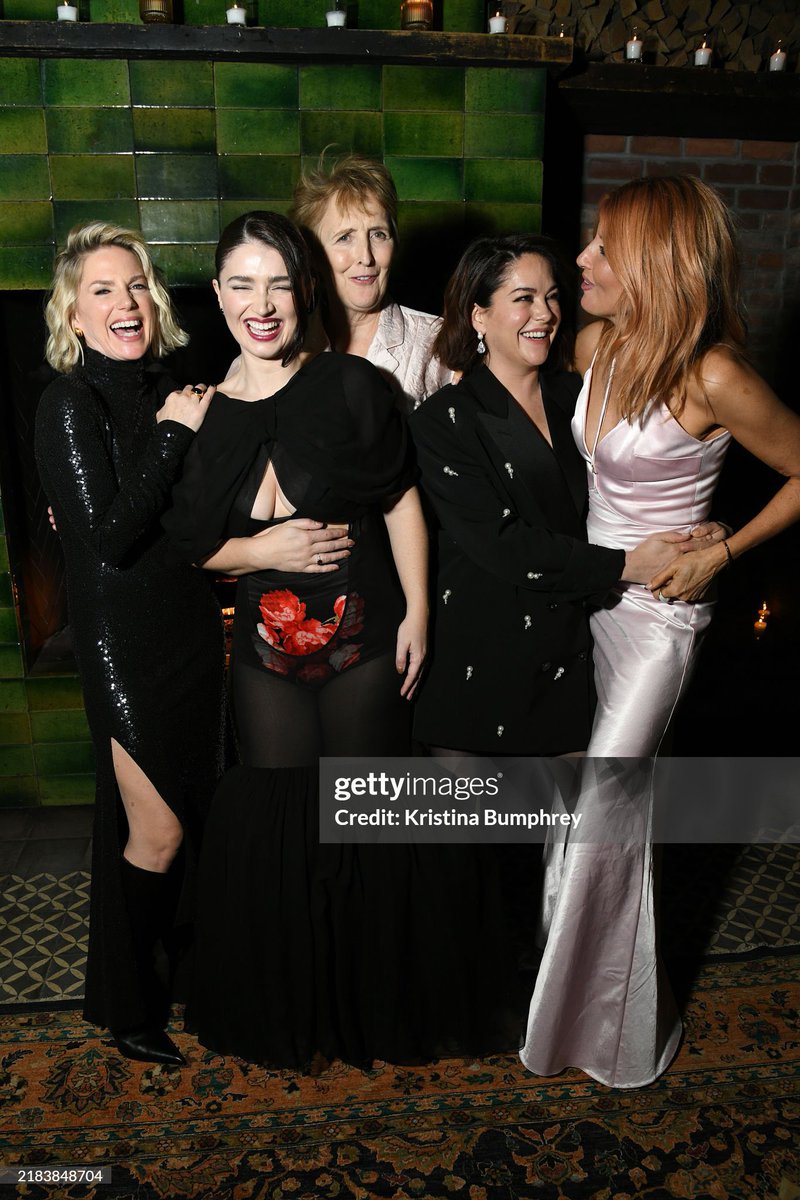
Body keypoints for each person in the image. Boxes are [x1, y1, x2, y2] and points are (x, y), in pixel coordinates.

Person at [165, 211, 520, 1069]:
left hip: (365, 638)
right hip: (266, 658)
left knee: (364, 821)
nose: (262, 303)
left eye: (280, 284)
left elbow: (400, 500)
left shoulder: (352, 385)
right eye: (242, 284)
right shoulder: (203, 415)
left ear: (304, 293)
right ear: (218, 296)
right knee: (281, 827)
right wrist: (261, 549)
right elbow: (186, 540)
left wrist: (421, 617)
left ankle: (375, 1012)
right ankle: (303, 1012)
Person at [520, 175, 800, 1087]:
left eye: (604, 248)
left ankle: (605, 1035)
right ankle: (565, 1002)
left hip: (660, 625)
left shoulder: (714, 372)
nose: (583, 260)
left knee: (606, 807)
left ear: (655, 264)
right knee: (576, 805)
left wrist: (726, 552)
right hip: (590, 605)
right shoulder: (599, 341)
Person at [410, 233, 721, 756]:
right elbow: (503, 544)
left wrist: (708, 528)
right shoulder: (444, 421)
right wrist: (628, 564)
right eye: (523, 298)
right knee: (471, 835)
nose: (545, 313)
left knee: (574, 831)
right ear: (479, 316)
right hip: (483, 657)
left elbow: (639, 482)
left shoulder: (577, 397)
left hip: (573, 651)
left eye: (553, 296)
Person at [34, 222, 226, 1067]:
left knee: (186, 819)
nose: (126, 302)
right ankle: (132, 1007)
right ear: (73, 314)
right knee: (158, 833)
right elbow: (110, 538)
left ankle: (160, 979)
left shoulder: (166, 389)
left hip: (188, 628)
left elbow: (185, 520)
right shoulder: (69, 401)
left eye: (137, 285)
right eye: (104, 290)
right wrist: (177, 435)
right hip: (124, 649)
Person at [289, 152, 451, 411]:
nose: (366, 256)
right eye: (345, 238)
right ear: (312, 254)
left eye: (378, 234)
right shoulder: (289, 341)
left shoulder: (436, 342)